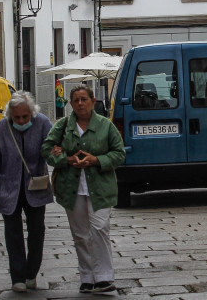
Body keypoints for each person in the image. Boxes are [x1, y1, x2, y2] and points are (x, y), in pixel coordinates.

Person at [41, 85, 125, 294]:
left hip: (101, 188)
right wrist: (65, 159)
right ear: (71, 103)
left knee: (99, 229)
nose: (80, 104)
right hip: (72, 187)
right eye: (76, 100)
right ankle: (87, 277)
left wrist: (96, 160)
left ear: (92, 100)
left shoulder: (106, 126)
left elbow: (119, 153)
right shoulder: (62, 126)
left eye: (83, 99)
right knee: (80, 234)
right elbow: (46, 149)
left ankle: (105, 277)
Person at [0, 91, 54, 293]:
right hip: (8, 189)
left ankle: (31, 273)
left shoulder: (42, 123)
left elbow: (52, 149)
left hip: (36, 187)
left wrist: (56, 153)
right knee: (13, 234)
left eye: (25, 117)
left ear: (32, 113)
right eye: (17, 117)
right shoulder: (1, 129)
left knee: (37, 232)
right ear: (10, 115)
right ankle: (18, 277)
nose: (21, 121)